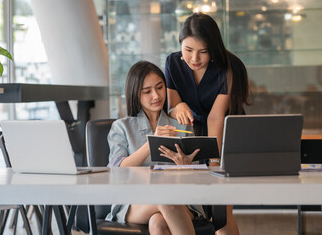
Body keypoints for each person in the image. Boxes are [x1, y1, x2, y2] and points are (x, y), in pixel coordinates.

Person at [164, 13, 250, 235]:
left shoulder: (230, 67)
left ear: (214, 48)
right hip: (195, 133)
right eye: (188, 50)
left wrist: (214, 162)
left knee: (221, 209)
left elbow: (216, 117)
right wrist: (179, 106)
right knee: (200, 207)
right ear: (180, 44)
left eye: (203, 51)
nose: (194, 58)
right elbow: (172, 106)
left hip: (227, 132)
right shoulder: (172, 63)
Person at [106, 60, 205, 235]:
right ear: (136, 94)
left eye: (160, 88)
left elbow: (196, 178)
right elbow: (116, 171)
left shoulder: (181, 126)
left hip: (180, 200)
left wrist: (185, 165)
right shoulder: (121, 127)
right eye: (147, 91)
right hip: (134, 203)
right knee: (164, 197)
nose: (156, 96)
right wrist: (151, 143)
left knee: (158, 223)